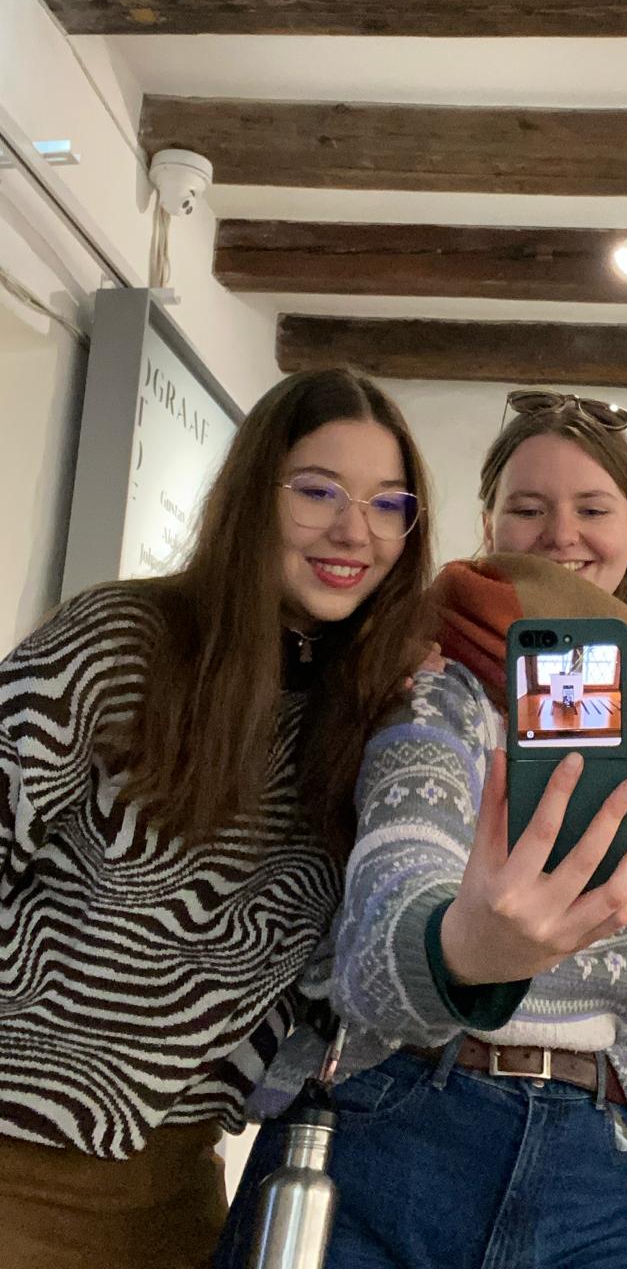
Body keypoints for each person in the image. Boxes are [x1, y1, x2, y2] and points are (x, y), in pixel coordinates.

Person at [218, 388, 627, 1269]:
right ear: (488, 525)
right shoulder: (432, 680)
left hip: (585, 1169)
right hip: (395, 1125)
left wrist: (626, 1121)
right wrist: (461, 950)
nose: (561, 535)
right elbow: (388, 900)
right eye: (528, 508)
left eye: (592, 509)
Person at [0, 367, 435, 1269]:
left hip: (179, 1190)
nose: (354, 531)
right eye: (318, 491)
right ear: (252, 496)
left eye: (388, 504)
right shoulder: (121, 638)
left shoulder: (364, 716)